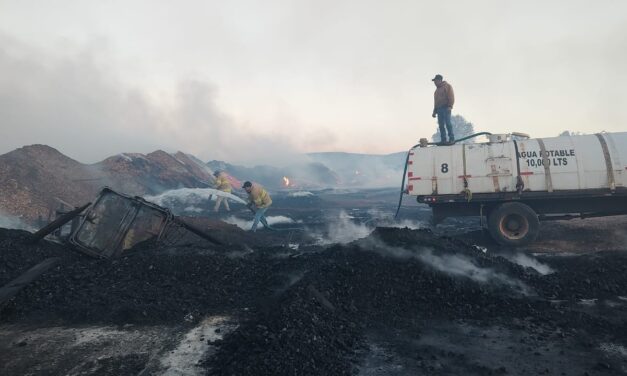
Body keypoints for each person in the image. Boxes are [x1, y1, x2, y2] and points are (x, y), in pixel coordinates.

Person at [431, 74, 455, 143]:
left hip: (446, 108)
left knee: (448, 123)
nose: (434, 83)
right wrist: (434, 111)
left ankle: (451, 138)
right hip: (439, 109)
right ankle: (443, 140)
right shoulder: (436, 91)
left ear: (439, 80)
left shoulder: (447, 86)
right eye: (434, 81)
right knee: (441, 125)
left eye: (435, 81)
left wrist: (450, 106)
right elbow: (436, 102)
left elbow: (451, 96)